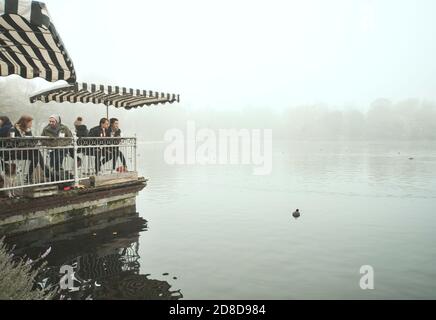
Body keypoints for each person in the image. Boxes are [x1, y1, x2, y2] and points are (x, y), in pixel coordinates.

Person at [9, 115, 51, 183]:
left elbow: (31, 141)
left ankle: (28, 177)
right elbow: (12, 142)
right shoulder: (14, 129)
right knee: (36, 153)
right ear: (25, 122)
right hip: (16, 152)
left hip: (25, 151)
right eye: (30, 123)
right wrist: (25, 142)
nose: (31, 124)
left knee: (36, 157)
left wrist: (34, 141)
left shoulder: (28, 130)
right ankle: (46, 171)